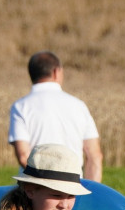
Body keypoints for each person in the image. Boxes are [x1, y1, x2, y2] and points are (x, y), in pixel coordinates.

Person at [8, 51, 104, 183]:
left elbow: (24, 155)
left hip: (34, 190)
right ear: (56, 72)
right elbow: (94, 156)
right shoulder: (79, 106)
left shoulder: (21, 106)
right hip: (72, 187)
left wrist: (47, 184)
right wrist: (91, 193)